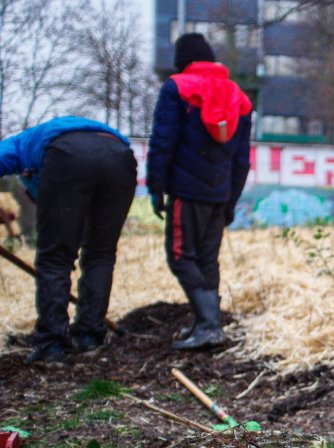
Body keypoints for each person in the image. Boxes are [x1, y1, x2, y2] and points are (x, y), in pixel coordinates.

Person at [0, 117, 136, 363]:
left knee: (54, 258)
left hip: (68, 156)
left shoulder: (21, 145)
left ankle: (51, 344)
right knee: (101, 253)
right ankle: (89, 335)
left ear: (29, 174)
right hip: (120, 157)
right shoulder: (49, 137)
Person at [148, 32, 252, 350]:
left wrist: (156, 187)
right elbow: (242, 158)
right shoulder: (240, 97)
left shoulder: (177, 88)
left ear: (182, 62)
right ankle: (204, 323)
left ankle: (209, 326)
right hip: (219, 194)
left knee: (181, 257)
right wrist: (231, 200)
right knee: (207, 259)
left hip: (186, 191)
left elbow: (163, 142)